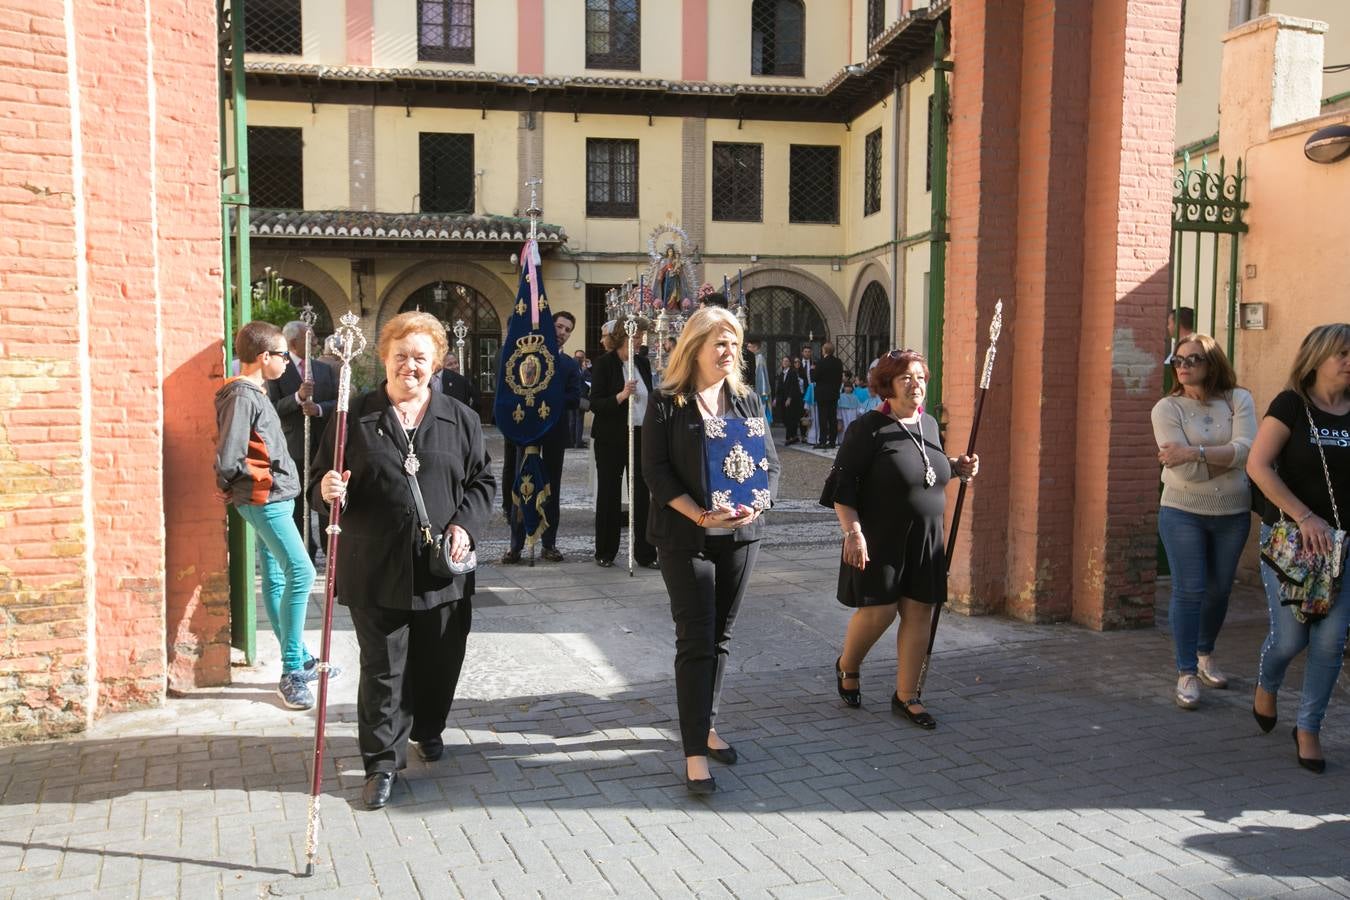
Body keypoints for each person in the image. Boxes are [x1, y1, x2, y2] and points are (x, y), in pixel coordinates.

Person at [314, 311, 494, 809]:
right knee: (382, 671)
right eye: (400, 356)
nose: (409, 366)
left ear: (436, 362)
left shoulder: (460, 417)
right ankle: (381, 763)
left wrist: (463, 525)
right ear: (383, 359)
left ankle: (429, 725)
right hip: (374, 565)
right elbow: (319, 482)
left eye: (420, 357)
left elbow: (482, 482)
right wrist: (327, 490)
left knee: (439, 662)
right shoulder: (355, 416)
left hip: (442, 567)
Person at [642, 306, 780, 794]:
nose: (729, 352)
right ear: (695, 346)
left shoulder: (746, 401)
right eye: (720, 343)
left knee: (721, 637)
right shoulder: (665, 402)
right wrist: (700, 514)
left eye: (735, 344)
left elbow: (770, 467)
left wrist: (758, 506)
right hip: (686, 539)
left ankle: (708, 725)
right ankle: (694, 752)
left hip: (741, 538)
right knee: (695, 639)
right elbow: (655, 474)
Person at [827, 349, 978, 729]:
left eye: (921, 377)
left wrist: (957, 468)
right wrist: (853, 532)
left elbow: (929, 470)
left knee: (919, 611)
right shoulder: (867, 429)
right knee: (880, 611)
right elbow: (842, 485)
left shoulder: (927, 426)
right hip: (881, 536)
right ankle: (848, 665)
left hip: (926, 539)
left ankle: (907, 695)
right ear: (888, 386)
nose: (916, 385)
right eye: (906, 378)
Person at [1247, 323, 1350, 774]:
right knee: (1290, 640)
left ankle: (1308, 727)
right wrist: (1304, 516)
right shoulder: (1291, 406)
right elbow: (1258, 465)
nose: (1349, 361)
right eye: (1342, 353)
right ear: (1317, 358)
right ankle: (1268, 681)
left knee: (1330, 643)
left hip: (1343, 549)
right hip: (1292, 543)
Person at [215, 321, 324, 710]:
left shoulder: (253, 392)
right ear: (265, 358)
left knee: (278, 575)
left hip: (272, 495)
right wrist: (240, 486)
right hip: (265, 498)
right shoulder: (242, 395)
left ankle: (301, 659)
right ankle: (292, 669)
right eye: (280, 355)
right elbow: (229, 456)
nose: (284, 362)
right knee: (303, 571)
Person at [1151, 334, 1257, 709]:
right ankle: (1186, 672)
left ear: (1212, 363)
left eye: (1193, 360)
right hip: (1181, 511)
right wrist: (1225, 458)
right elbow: (1189, 476)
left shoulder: (1238, 399)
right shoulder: (1166, 408)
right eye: (1178, 360)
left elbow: (1249, 452)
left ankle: (1205, 652)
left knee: (1219, 591)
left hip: (1232, 513)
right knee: (1190, 590)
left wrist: (1193, 453)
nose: (1183, 366)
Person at [500, 310, 581, 564]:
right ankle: (516, 545)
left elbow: (575, 397)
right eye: (559, 326)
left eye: (567, 330)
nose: (562, 333)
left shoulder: (569, 364)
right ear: (549, 326)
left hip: (555, 434)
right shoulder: (529, 357)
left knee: (551, 488)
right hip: (527, 432)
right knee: (522, 484)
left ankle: (549, 543)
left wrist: (552, 399)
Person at [266, 320, 338, 561]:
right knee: (298, 500)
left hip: (322, 444)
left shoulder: (324, 369)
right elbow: (273, 408)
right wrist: (297, 397)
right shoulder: (278, 371)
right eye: (310, 338)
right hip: (294, 445)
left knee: (326, 494)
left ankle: (330, 549)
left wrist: (318, 408)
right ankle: (303, 551)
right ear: (294, 342)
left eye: (315, 337)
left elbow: (339, 403)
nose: (315, 342)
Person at [590, 318, 657, 568]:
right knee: (609, 493)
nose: (640, 340)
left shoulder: (642, 362)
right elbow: (595, 403)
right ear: (623, 336)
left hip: (640, 435)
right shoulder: (604, 364)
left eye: (641, 336)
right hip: (611, 438)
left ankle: (645, 553)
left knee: (641, 494)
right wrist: (621, 395)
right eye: (636, 336)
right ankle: (605, 551)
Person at [812, 342, 844, 449]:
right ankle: (832, 441)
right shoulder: (838, 362)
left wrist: (813, 370)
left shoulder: (821, 362)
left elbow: (814, 378)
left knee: (823, 418)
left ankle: (822, 441)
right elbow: (840, 378)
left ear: (825, 350)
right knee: (832, 418)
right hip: (834, 393)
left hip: (822, 394)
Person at [774, 356, 804, 445]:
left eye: (787, 361)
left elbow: (794, 386)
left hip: (792, 400)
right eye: (783, 361)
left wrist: (790, 398)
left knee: (791, 418)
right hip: (783, 399)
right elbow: (779, 387)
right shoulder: (782, 373)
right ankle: (793, 436)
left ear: (790, 363)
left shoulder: (792, 373)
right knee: (785, 418)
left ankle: (790, 437)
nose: (785, 363)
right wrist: (776, 398)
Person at [572, 349, 591, 449]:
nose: (579, 359)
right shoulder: (580, 370)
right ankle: (576, 442)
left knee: (575, 420)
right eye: (578, 357)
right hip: (578, 398)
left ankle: (575, 441)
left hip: (577, 398)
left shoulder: (581, 369)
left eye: (581, 357)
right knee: (576, 421)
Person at [837, 371, 860, 437]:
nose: (848, 388)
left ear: (852, 388)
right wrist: (839, 418)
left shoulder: (855, 397)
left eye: (849, 387)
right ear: (844, 388)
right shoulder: (841, 396)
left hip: (852, 413)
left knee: (851, 426)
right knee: (844, 426)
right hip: (843, 413)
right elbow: (838, 408)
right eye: (846, 387)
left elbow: (858, 407)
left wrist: (859, 413)